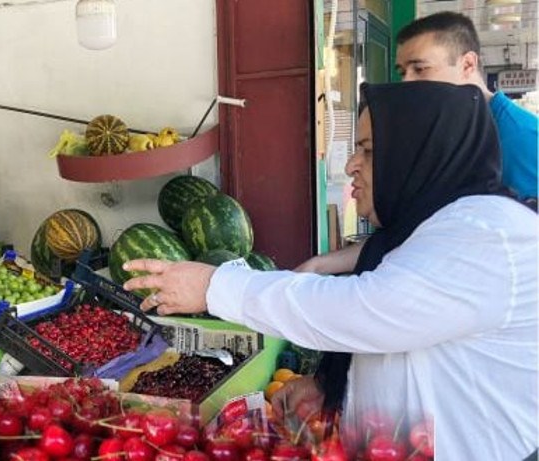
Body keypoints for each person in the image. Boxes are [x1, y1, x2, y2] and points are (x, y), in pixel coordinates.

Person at [123, 82, 537, 458]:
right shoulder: (430, 227)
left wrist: (216, 285)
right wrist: (328, 386)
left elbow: (369, 312)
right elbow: (409, 338)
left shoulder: (486, 234)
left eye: (370, 150)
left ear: (421, 153)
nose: (352, 165)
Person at [298, 11, 538, 275]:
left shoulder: (524, 139)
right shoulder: (433, 133)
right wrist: (321, 264)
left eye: (420, 69)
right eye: (402, 72)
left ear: (468, 64)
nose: (407, 83)